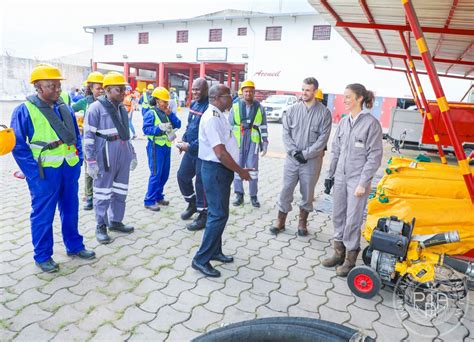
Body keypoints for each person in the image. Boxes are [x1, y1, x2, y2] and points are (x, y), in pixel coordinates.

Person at [10, 63, 95, 273]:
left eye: (58, 85)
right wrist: (33, 175)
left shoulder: (64, 106)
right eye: (51, 86)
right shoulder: (24, 110)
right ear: (38, 87)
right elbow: (18, 146)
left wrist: (78, 160)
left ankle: (74, 246)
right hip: (44, 172)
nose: (57, 89)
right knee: (43, 214)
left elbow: (75, 136)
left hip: (68, 168)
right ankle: (42, 256)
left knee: (71, 210)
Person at [322, 83, 383, 277]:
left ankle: (350, 258)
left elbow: (374, 156)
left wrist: (363, 183)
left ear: (359, 99)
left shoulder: (371, 124)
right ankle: (338, 253)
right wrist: (330, 175)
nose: (344, 100)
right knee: (338, 215)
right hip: (341, 176)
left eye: (348, 97)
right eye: (343, 96)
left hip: (357, 179)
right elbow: (336, 150)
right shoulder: (343, 122)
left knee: (352, 219)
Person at [192, 84, 252, 278]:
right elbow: (220, 153)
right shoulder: (211, 118)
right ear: (218, 97)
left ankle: (215, 250)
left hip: (221, 171)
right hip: (215, 170)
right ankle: (201, 259)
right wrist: (240, 171)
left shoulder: (218, 115)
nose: (232, 99)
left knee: (219, 214)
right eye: (229, 96)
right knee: (218, 216)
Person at [270, 77, 332, 236]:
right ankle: (280, 221)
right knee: (286, 190)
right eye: (303, 89)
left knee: (308, 193)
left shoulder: (324, 113)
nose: (304, 92)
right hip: (292, 160)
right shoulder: (292, 110)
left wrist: (306, 154)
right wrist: (293, 152)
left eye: (308, 90)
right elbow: (285, 134)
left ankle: (302, 223)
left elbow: (323, 139)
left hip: (311, 161)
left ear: (315, 91)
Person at [83, 72, 137, 244]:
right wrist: (90, 161)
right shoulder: (95, 108)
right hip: (105, 154)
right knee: (103, 192)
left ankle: (116, 221)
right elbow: (88, 137)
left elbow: (125, 133)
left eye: (124, 90)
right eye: (119, 90)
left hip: (122, 153)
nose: (123, 93)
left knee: (120, 190)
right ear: (107, 90)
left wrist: (132, 154)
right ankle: (101, 225)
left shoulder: (122, 108)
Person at [177, 78, 209, 230]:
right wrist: (184, 139)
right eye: (193, 89)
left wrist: (189, 146)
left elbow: (206, 137)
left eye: (198, 89)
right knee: (182, 176)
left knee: (201, 183)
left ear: (206, 90)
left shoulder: (209, 107)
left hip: (202, 153)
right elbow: (190, 125)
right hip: (190, 150)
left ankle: (203, 215)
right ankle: (192, 204)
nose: (195, 92)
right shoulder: (194, 104)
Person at [230, 80, 268, 208]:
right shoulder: (235, 107)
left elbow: (263, 126)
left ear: (254, 93)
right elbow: (229, 126)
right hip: (238, 141)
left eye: (251, 91)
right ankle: (239, 194)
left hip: (253, 141)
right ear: (242, 92)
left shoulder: (260, 108)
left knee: (253, 169)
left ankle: (253, 196)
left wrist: (265, 141)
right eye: (246, 91)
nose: (248, 93)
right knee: (237, 167)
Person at [142, 87, 181, 211]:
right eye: (164, 101)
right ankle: (149, 200)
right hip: (155, 147)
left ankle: (158, 196)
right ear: (157, 101)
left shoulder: (167, 113)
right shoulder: (151, 113)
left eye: (167, 101)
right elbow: (146, 130)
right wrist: (159, 128)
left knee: (164, 174)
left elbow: (178, 124)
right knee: (155, 173)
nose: (166, 103)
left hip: (166, 147)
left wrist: (171, 115)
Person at [72, 71, 104, 210]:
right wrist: (77, 124)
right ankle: (89, 197)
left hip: (104, 141)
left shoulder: (107, 102)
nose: (101, 90)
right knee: (89, 170)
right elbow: (69, 111)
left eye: (104, 87)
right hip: (89, 142)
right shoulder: (84, 102)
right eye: (98, 88)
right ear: (91, 88)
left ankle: (101, 194)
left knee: (103, 168)